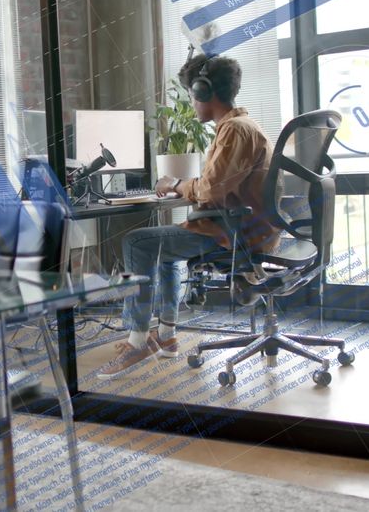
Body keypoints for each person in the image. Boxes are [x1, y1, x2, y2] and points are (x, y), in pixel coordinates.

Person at [97, 53, 280, 380]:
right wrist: (184, 186)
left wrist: (174, 183)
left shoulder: (234, 130)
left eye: (192, 95)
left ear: (203, 91)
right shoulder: (241, 126)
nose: (192, 103)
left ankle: (138, 341)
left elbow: (212, 190)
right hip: (242, 229)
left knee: (136, 243)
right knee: (165, 247)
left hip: (233, 235)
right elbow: (218, 185)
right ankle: (166, 335)